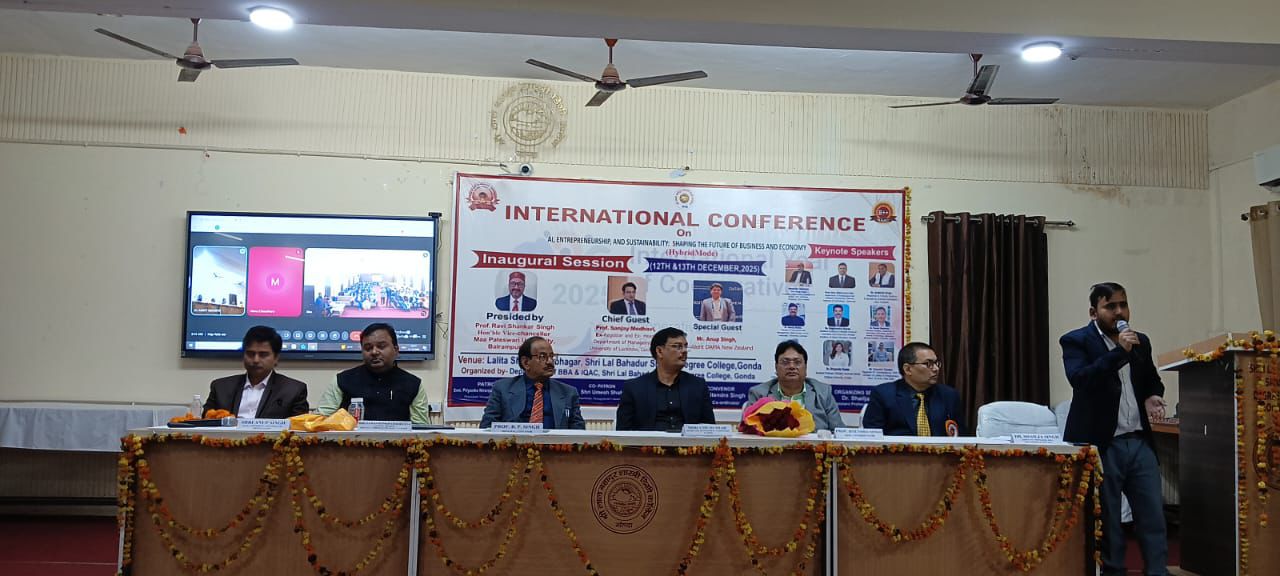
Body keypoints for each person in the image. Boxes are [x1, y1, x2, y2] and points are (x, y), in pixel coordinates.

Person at [1061, 282, 1168, 576]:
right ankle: (1113, 571)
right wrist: (1119, 352)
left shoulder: (1140, 341)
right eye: (1110, 306)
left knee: (1152, 515)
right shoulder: (1075, 341)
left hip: (1139, 440)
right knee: (1107, 517)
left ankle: (1158, 571)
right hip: (1102, 444)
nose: (1119, 312)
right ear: (1093, 312)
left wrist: (1152, 394)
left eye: (1123, 304)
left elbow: (1151, 379)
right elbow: (1080, 379)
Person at [319, 322, 428, 424]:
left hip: (399, 439)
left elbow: (421, 428)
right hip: (352, 438)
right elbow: (320, 420)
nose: (374, 352)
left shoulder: (413, 384)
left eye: (381, 346)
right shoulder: (342, 380)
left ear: (396, 350)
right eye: (368, 348)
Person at [616, 327, 716, 431]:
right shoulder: (634, 388)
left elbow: (709, 430)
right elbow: (622, 432)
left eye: (685, 346)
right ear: (659, 351)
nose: (684, 351)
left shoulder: (698, 386)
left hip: (688, 441)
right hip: (649, 441)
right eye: (677, 346)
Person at [204, 326, 309, 419]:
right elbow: (205, 423)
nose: (255, 360)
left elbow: (299, 428)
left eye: (263, 355)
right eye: (250, 354)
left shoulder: (293, 390)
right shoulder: (220, 387)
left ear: (276, 358)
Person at [480, 336, 585, 429]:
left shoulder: (568, 393)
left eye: (552, 356)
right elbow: (487, 427)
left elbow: (579, 433)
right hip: (515, 444)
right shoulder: (502, 389)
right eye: (542, 357)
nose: (550, 361)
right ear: (526, 362)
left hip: (555, 445)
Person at [861, 342, 964, 436]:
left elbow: (961, 435)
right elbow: (872, 437)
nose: (936, 369)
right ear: (908, 369)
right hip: (898, 450)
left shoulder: (948, 395)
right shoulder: (884, 395)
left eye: (936, 363)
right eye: (928, 364)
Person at [745, 341, 844, 431]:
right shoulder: (759, 394)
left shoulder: (823, 392)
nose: (791, 366)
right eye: (785, 362)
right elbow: (747, 430)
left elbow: (839, 432)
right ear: (776, 367)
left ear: (805, 367)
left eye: (797, 362)